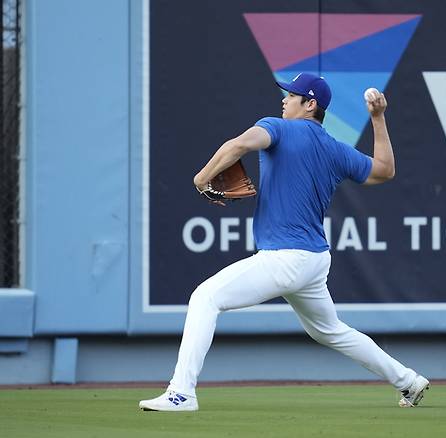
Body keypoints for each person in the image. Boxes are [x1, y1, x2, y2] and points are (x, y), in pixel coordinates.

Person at [139, 72, 429, 411]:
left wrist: (201, 178)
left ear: (310, 104)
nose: (284, 100)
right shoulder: (336, 149)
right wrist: (378, 117)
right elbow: (384, 170)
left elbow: (238, 145)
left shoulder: (276, 127)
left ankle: (182, 393)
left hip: (285, 257)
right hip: (315, 259)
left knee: (204, 298)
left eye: (291, 96)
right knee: (330, 330)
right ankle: (408, 380)